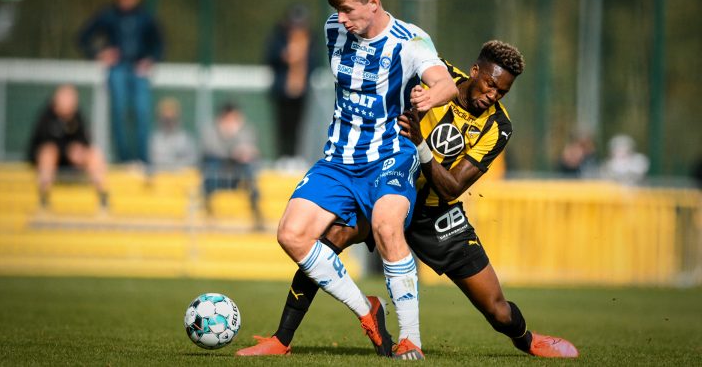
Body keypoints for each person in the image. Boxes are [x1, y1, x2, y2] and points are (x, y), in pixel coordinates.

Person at [238, 42, 579, 359]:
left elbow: (451, 188)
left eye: (502, 91)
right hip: (383, 186)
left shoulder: (497, 127)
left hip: (433, 213)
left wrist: (420, 145)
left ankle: (528, 340)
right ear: (474, 71)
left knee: (496, 308)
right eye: (490, 84)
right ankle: (281, 339)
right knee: (325, 246)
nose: (492, 95)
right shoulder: (437, 75)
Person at [274, 0, 458, 360]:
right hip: (338, 160)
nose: (340, 19)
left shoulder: (410, 41)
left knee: (386, 224)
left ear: (373, 3)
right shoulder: (332, 28)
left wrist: (432, 95)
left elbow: (445, 82)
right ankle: (367, 310)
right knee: (291, 235)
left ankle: (410, 337)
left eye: (348, 11)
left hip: (390, 155)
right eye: (337, 11)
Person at [78, 0, 163, 164]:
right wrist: (99, 53)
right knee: (119, 112)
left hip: (139, 69)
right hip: (117, 68)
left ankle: (142, 160)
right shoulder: (108, 15)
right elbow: (83, 37)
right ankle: (123, 159)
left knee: (142, 113)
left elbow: (159, 44)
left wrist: (150, 60)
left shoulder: (145, 17)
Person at [27, 84, 108, 210]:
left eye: (71, 98)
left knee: (94, 153)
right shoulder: (46, 117)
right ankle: (43, 197)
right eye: (65, 97)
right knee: (48, 153)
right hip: (51, 162)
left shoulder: (78, 117)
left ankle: (102, 195)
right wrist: (67, 151)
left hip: (73, 163)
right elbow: (40, 144)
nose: (69, 102)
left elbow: (86, 141)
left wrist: (79, 152)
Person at [265, 3, 317, 163]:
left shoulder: (310, 39)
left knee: (298, 126)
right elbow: (269, 58)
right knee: (282, 126)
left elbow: (314, 62)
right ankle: (281, 157)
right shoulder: (278, 38)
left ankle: (294, 157)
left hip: (301, 91)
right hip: (282, 90)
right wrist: (284, 56)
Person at [201, 103, 263, 230]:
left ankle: (256, 212)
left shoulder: (245, 129)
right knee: (210, 168)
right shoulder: (211, 129)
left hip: (238, 171)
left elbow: (251, 150)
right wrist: (231, 149)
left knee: (250, 171)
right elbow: (209, 149)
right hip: (217, 171)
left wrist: (239, 144)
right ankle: (208, 213)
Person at [148, 97, 197, 172]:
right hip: (161, 177)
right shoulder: (155, 138)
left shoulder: (185, 138)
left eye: (171, 118)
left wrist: (174, 165)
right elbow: (155, 160)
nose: (169, 122)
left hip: (181, 177)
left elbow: (192, 160)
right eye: (166, 119)